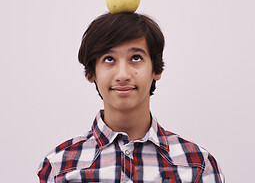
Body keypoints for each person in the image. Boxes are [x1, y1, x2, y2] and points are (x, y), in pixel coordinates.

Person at [37, 12, 225, 182]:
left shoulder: (198, 166)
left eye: (136, 57)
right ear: (91, 73)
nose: (123, 75)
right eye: (109, 59)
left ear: (156, 69)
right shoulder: (59, 167)